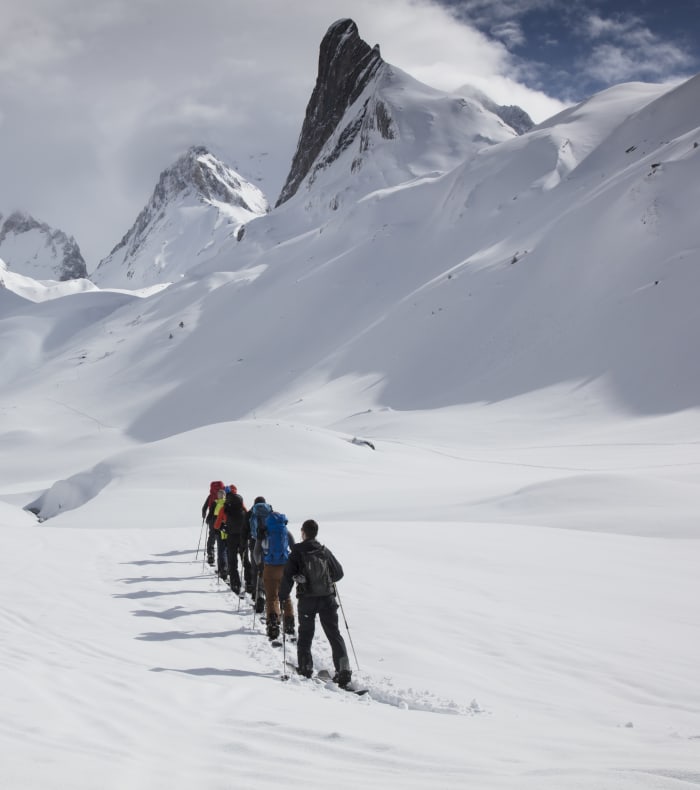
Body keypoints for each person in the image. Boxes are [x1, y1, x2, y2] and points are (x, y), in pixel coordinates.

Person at [279, 519, 351, 688]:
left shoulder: (296, 552)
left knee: (305, 634)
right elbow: (339, 573)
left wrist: (282, 596)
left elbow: (288, 577)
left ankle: (305, 667)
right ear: (316, 533)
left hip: (307, 600)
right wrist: (326, 580)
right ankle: (344, 670)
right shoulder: (324, 551)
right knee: (334, 634)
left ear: (303, 532)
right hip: (327, 599)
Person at [254, 510, 295, 641]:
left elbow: (256, 552)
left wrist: (260, 565)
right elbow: (294, 549)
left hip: (269, 567)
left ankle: (273, 625)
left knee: (271, 597)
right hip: (285, 567)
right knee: (286, 595)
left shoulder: (264, 532)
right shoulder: (286, 532)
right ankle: (289, 623)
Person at [218, 484, 250, 595]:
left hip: (231, 536)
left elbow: (217, 525)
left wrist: (224, 527)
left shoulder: (225, 507)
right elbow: (247, 517)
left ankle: (235, 584)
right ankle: (249, 582)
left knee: (232, 560)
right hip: (242, 536)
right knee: (245, 560)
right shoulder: (242, 505)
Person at [244, 496, 272, 611]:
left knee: (256, 569)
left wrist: (243, 543)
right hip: (269, 543)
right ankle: (268, 593)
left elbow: (245, 529)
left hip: (254, 542)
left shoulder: (251, 513)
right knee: (267, 569)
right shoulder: (270, 511)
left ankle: (258, 596)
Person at [201, 480, 224, 566]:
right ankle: (223, 559)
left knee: (212, 536)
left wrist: (204, 515)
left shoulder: (211, 496)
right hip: (223, 520)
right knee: (222, 539)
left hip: (212, 519)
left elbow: (204, 507)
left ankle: (210, 554)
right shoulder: (224, 495)